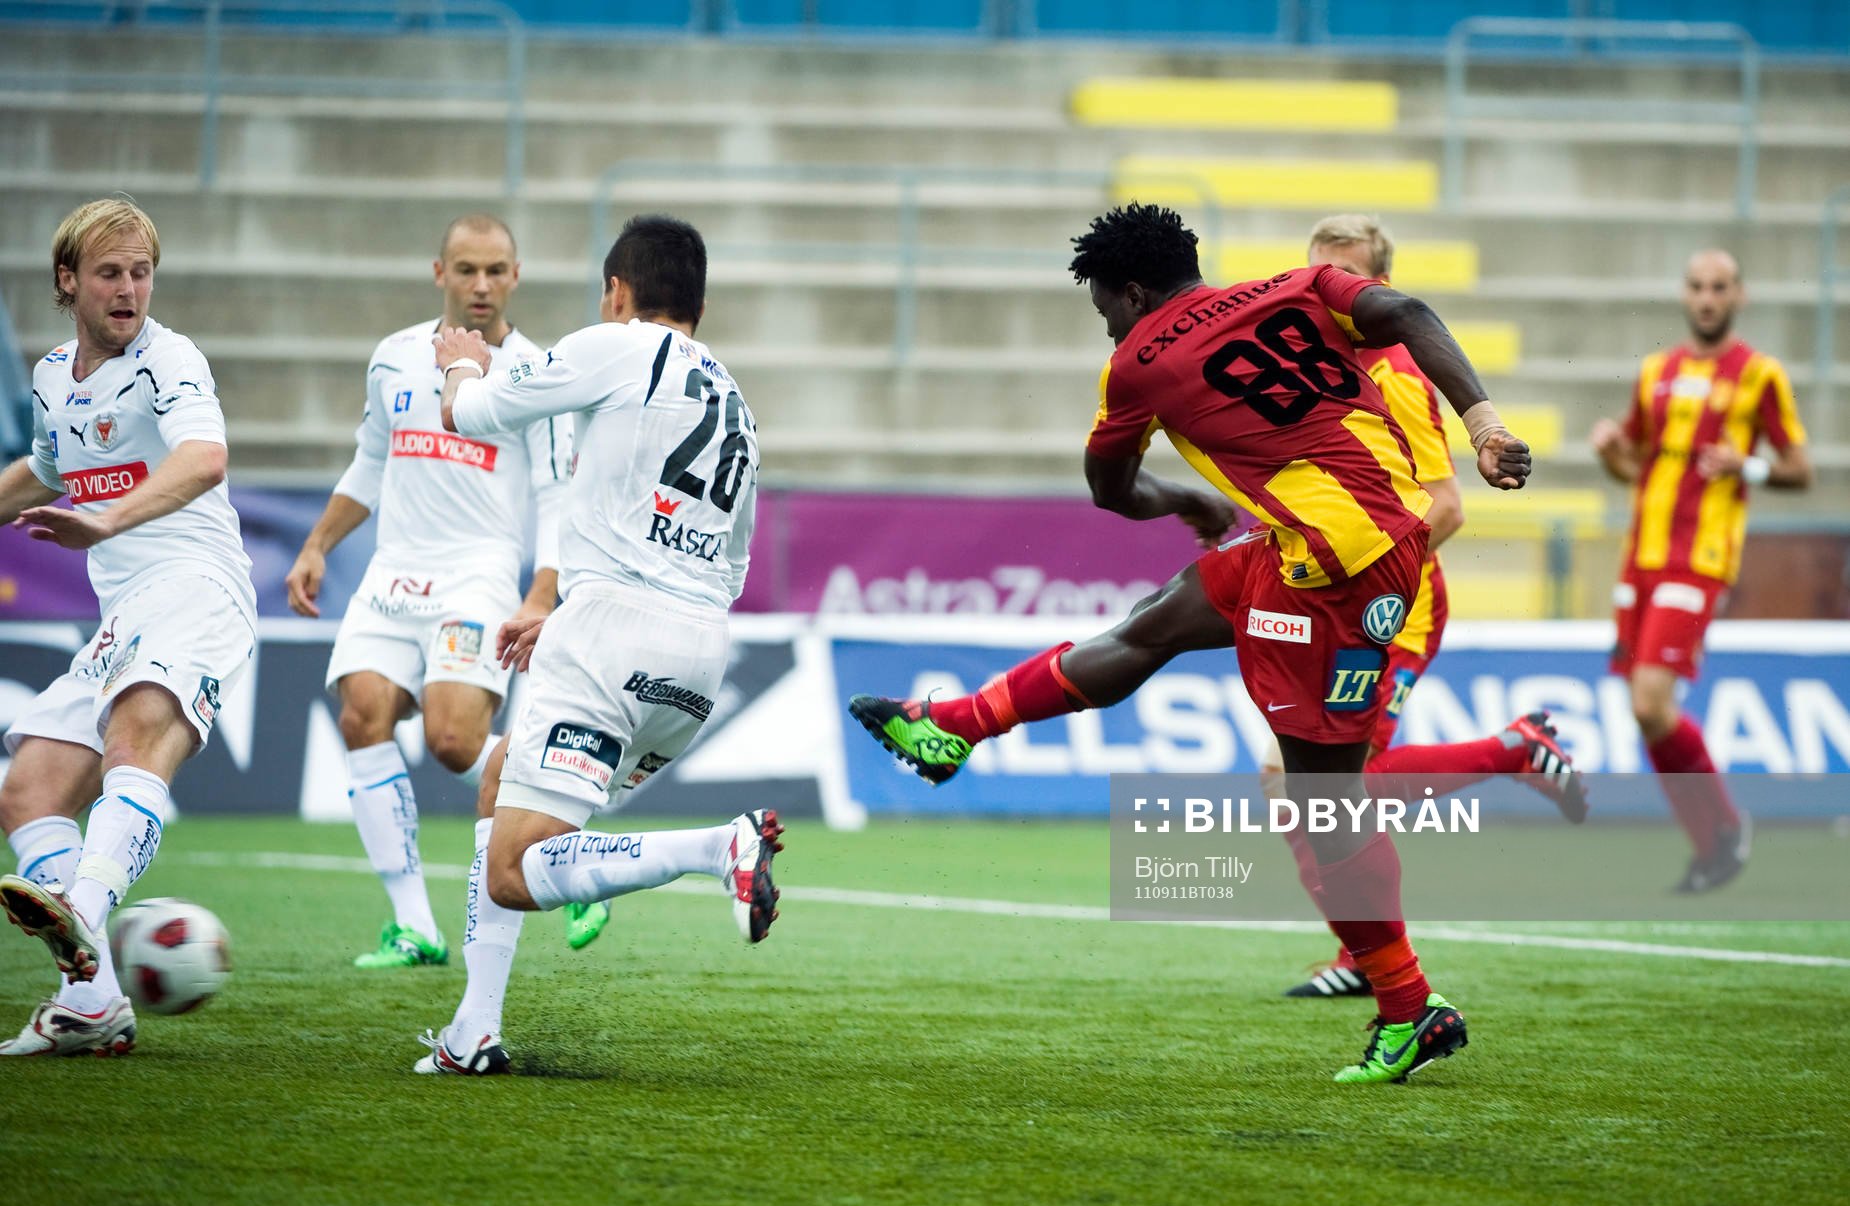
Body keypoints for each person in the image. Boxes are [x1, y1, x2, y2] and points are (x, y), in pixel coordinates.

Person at [850, 203, 1532, 1083]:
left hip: (1334, 573)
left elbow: (1110, 489)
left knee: (1322, 804)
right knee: (1159, 621)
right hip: (1332, 543)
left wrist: (1179, 498)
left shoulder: (1135, 364)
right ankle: (954, 728)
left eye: (1104, 305)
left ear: (1131, 291)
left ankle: (1410, 1008)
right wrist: (1484, 425)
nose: (1107, 322)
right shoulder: (1296, 286)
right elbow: (1404, 315)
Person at [412, 214, 781, 1076]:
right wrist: (575, 610)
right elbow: (730, 563)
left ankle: (715, 847)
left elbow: (472, 413)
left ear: (618, 293)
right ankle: (473, 1030)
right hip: (696, 656)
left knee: (515, 869)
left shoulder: (616, 345)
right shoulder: (734, 399)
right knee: (503, 778)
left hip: (613, 638)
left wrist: (459, 359)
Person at [1278, 215, 1585, 1000]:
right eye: (1318, 276)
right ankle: (1359, 949)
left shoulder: (1395, 371)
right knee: (1289, 781)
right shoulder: (1315, 361)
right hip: (1341, 599)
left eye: (1348, 279)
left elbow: (1445, 507)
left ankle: (1512, 752)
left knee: (1336, 782)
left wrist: (1356, 577)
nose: (1329, 294)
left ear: (1377, 286)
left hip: (1391, 607)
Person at [283, 214, 598, 967]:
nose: (481, 285)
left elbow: (557, 497)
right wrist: (317, 545)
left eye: (495, 270)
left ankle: (566, 831)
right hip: (394, 573)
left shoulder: (535, 371)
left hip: (476, 576)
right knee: (362, 717)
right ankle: (414, 925)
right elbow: (370, 465)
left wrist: (539, 594)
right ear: (439, 273)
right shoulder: (393, 357)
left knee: (453, 743)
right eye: (466, 270)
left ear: (515, 276)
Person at [0, 197, 257, 1056]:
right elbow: (46, 467)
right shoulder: (49, 375)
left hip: (197, 587)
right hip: (125, 617)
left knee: (136, 734)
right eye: (110, 273)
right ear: (67, 281)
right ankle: (94, 1002)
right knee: (29, 789)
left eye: (141, 272)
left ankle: (86, 904)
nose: (129, 290)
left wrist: (109, 523)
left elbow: (204, 456)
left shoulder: (168, 359)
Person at [1591, 249, 1811, 892]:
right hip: (1642, 559)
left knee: (1650, 700)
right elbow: (1637, 467)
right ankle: (1713, 844)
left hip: (1701, 559)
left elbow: (1801, 470)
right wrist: (1609, 452)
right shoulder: (1656, 371)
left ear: (1739, 296)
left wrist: (1748, 465)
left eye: (1719, 288)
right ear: (1685, 296)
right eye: (1697, 287)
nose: (1707, 298)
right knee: (1643, 712)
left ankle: (1724, 827)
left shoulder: (1759, 376)